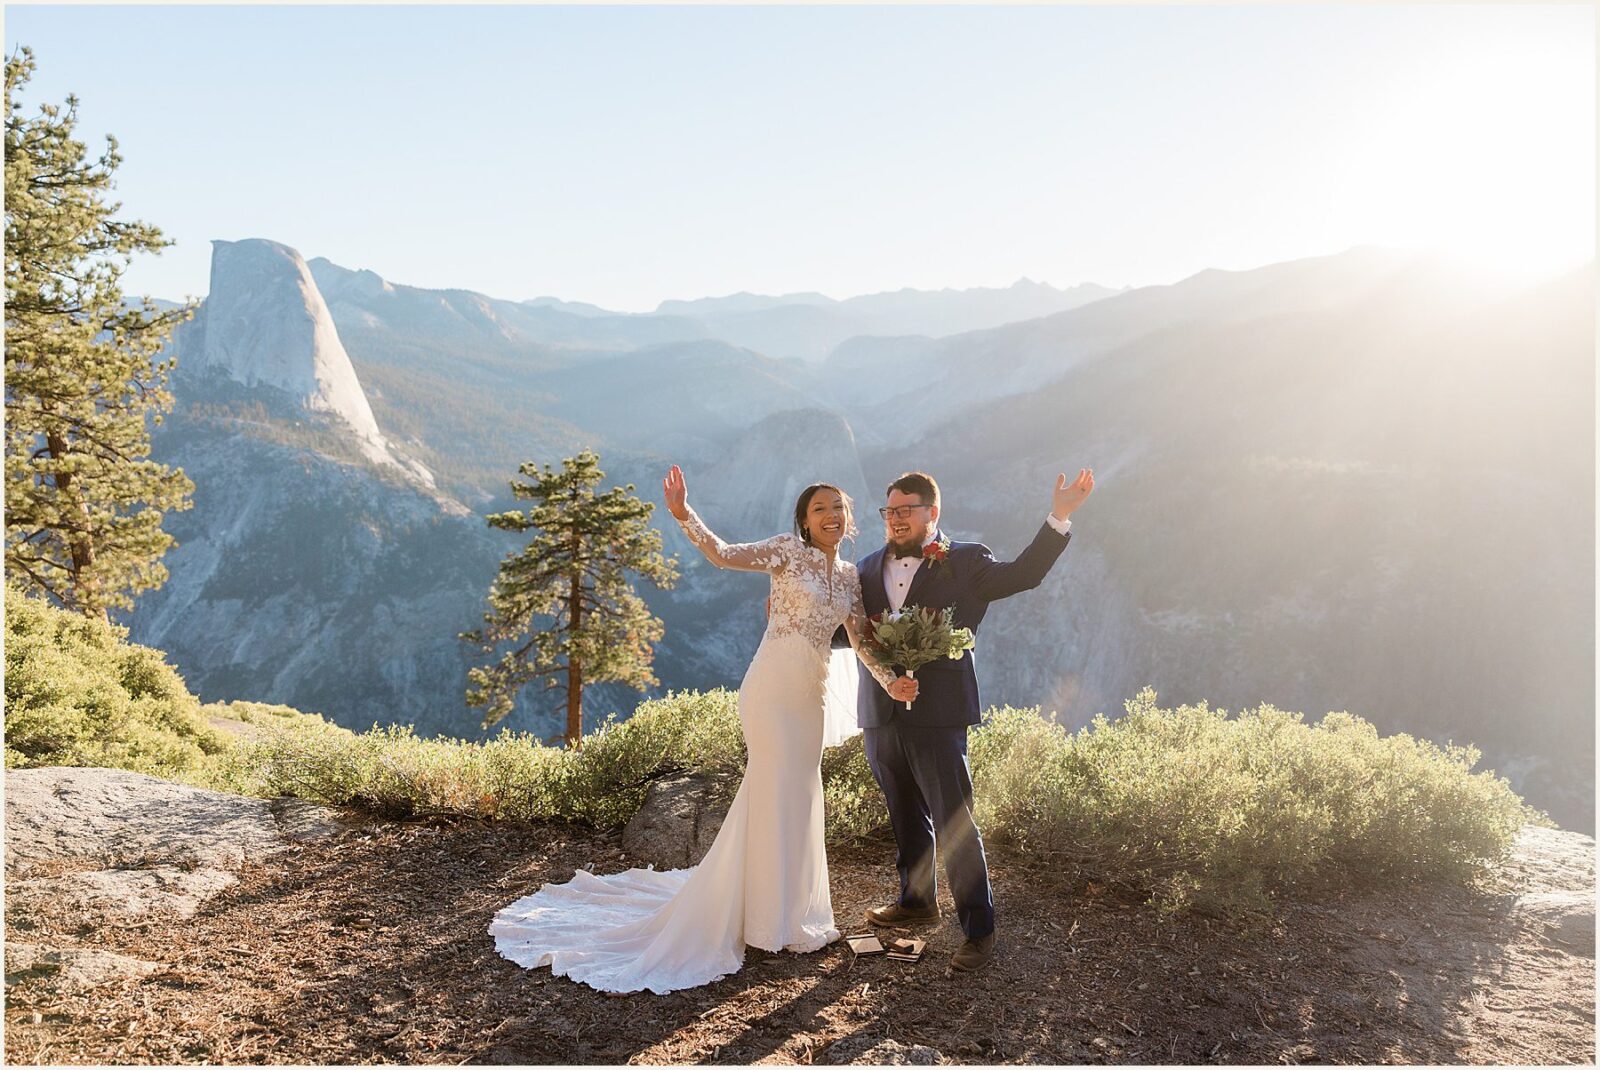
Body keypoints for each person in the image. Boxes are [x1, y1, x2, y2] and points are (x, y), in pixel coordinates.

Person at [486, 465, 913, 994]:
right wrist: (683, 513)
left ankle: (786, 915)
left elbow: (864, 639)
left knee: (800, 796)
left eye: (837, 507)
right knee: (771, 788)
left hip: (810, 698)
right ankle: (759, 920)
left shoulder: (849, 579)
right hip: (770, 691)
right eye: (819, 508)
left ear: (848, 520)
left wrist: (892, 681)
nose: (830, 514)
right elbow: (722, 554)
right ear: (804, 521)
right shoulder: (785, 552)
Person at [855, 468, 1093, 971]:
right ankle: (916, 900)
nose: (895, 519)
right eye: (889, 510)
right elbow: (849, 633)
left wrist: (1060, 517)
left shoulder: (965, 561)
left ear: (932, 513)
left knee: (954, 822)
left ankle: (979, 930)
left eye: (905, 510)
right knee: (903, 813)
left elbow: (1023, 575)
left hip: (939, 714)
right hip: (879, 712)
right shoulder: (867, 566)